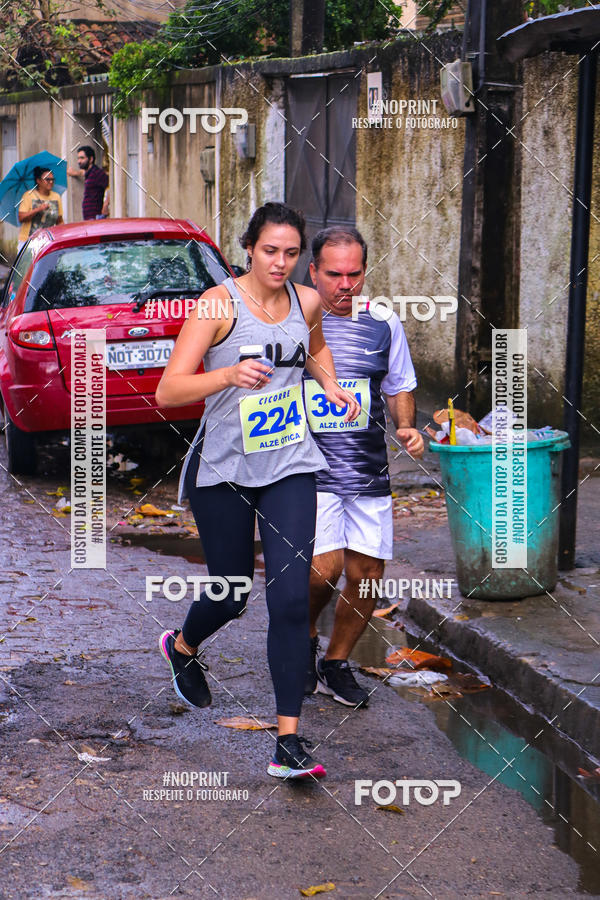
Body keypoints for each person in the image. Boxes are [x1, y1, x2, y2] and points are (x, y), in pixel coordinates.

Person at [155, 202, 359, 780]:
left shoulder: (307, 300)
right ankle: (183, 646)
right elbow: (169, 390)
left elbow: (314, 348)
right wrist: (227, 374)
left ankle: (287, 743)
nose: (280, 262)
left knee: (291, 599)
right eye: (270, 251)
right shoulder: (217, 304)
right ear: (249, 248)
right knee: (233, 592)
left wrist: (331, 385)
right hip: (223, 468)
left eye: (291, 253)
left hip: (290, 463)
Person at [305, 226, 424, 708]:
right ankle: (302, 639)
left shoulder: (383, 321)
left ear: (365, 272)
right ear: (313, 271)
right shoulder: (293, 318)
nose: (345, 284)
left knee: (368, 573)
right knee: (322, 571)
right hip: (308, 469)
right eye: (334, 274)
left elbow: (399, 384)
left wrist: (406, 426)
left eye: (354, 274)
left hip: (367, 469)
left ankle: (335, 663)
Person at [17, 166, 63, 251]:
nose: (51, 182)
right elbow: (21, 217)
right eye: (47, 179)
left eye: (52, 179)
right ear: (38, 181)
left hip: (48, 242)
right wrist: (38, 209)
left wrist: (61, 236)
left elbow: (59, 221)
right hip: (28, 242)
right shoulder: (29, 195)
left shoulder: (56, 196)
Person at [67, 146, 108, 220]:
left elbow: (111, 187)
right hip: (88, 217)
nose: (79, 161)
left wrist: (106, 205)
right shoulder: (89, 173)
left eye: (82, 158)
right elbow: (83, 173)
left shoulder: (98, 173)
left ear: (91, 159)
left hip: (96, 217)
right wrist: (74, 173)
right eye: (78, 158)